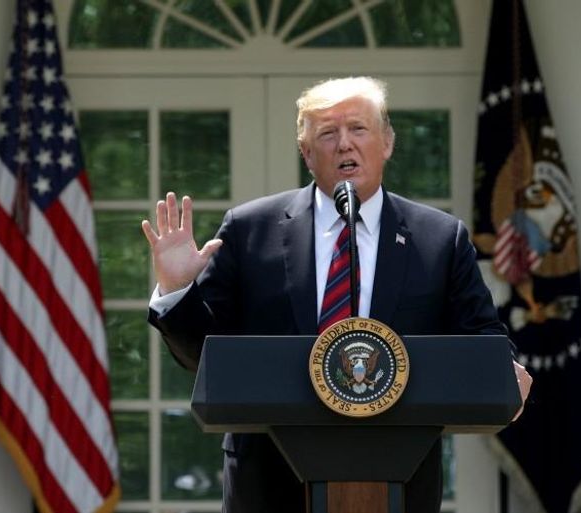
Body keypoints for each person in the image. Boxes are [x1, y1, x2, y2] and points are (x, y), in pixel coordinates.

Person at [142, 76, 532, 513]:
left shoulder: (439, 239)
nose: (344, 144)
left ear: (386, 142)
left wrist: (502, 371)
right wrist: (178, 290)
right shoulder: (250, 230)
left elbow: (482, 338)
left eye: (358, 129)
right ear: (307, 154)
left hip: (398, 482)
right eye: (327, 133)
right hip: (269, 486)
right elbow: (204, 358)